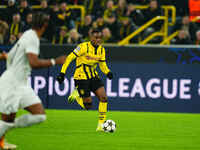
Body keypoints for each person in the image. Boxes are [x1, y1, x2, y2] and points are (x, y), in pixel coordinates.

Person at [0, 12, 66, 149]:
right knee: (7, 118)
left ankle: (6, 129)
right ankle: (2, 138)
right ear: (45, 25)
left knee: (39, 116)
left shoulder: (27, 34)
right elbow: (34, 63)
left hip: (21, 83)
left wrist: (5, 57)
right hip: (12, 83)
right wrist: (56, 61)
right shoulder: (32, 38)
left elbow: (10, 55)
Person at [56, 28, 113, 131]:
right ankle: (77, 94)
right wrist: (62, 72)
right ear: (91, 38)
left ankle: (101, 125)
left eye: (100, 37)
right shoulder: (83, 47)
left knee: (103, 97)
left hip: (93, 76)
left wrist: (107, 72)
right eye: (96, 37)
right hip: (81, 77)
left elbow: (102, 64)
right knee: (88, 106)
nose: (98, 40)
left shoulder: (101, 49)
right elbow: (69, 58)